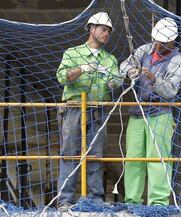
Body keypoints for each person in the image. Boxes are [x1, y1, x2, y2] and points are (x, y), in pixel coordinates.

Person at [56, 12, 123, 210]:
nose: (106, 33)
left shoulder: (110, 60)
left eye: (109, 31)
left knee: (95, 155)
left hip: (97, 110)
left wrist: (114, 83)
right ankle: (65, 200)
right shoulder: (72, 53)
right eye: (103, 29)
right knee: (70, 154)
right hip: (74, 108)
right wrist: (81, 69)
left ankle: (95, 199)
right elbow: (61, 77)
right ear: (91, 29)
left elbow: (114, 82)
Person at [120, 17, 181, 205]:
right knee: (133, 159)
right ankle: (132, 201)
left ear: (171, 41)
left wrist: (154, 79)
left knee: (158, 159)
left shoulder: (177, 60)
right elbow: (124, 65)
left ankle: (158, 203)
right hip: (138, 112)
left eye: (162, 42)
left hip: (160, 113)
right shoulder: (144, 50)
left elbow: (171, 90)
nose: (157, 45)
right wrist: (131, 71)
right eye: (156, 40)